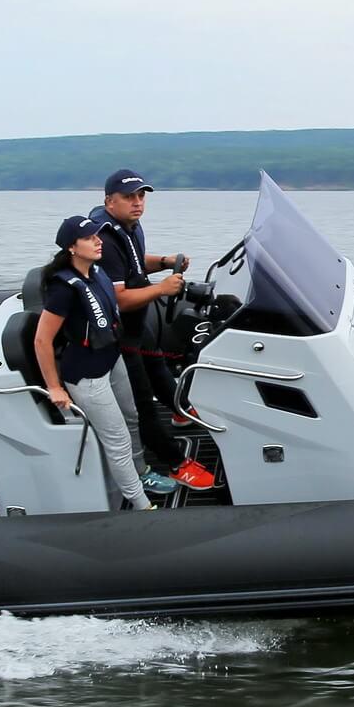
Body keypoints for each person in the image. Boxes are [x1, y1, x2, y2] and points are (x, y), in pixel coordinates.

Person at [91, 168, 217, 491]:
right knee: (142, 403)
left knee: (159, 367)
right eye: (128, 197)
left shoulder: (129, 226)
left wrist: (163, 261)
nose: (137, 203)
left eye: (140, 196)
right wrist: (161, 289)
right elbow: (118, 298)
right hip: (117, 333)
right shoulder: (104, 239)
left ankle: (180, 410)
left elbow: (133, 263)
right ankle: (175, 462)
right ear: (109, 201)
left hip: (137, 322)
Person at [34, 215, 165, 511]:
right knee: (117, 440)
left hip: (110, 356)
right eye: (90, 238)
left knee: (132, 417)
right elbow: (42, 340)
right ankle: (142, 505)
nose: (98, 241)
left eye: (98, 236)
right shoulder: (63, 288)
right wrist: (54, 387)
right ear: (72, 247)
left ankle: (141, 472)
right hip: (87, 374)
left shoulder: (97, 272)